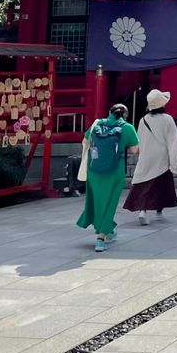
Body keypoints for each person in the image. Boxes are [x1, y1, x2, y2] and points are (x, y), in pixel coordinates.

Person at [77, 103, 139, 252]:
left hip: (94, 169)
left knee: (96, 201)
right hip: (114, 171)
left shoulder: (97, 124)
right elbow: (135, 150)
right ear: (125, 115)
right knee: (109, 203)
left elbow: (85, 141)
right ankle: (101, 238)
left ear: (110, 112)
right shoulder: (127, 128)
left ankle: (108, 230)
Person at [124, 89, 177, 225]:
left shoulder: (143, 120)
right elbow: (172, 142)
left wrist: (140, 153)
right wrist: (175, 163)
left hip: (147, 155)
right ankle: (159, 209)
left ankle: (142, 210)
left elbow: (140, 139)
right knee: (161, 183)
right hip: (161, 155)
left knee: (145, 182)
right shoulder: (168, 119)